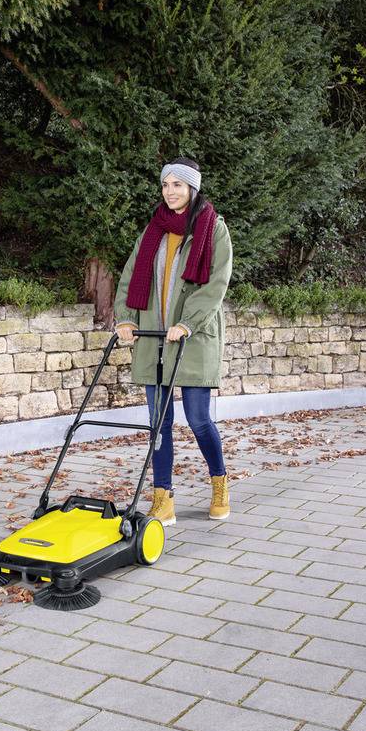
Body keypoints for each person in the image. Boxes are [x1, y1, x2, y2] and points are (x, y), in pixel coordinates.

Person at [112, 157, 233, 526]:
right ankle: (162, 498)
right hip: (154, 335)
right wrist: (125, 318)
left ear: (192, 189)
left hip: (192, 338)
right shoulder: (153, 231)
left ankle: (219, 482)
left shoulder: (213, 229)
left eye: (178, 185)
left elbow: (216, 283)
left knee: (198, 419)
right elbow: (130, 275)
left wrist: (187, 322)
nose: (170, 192)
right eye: (166, 185)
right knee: (158, 422)